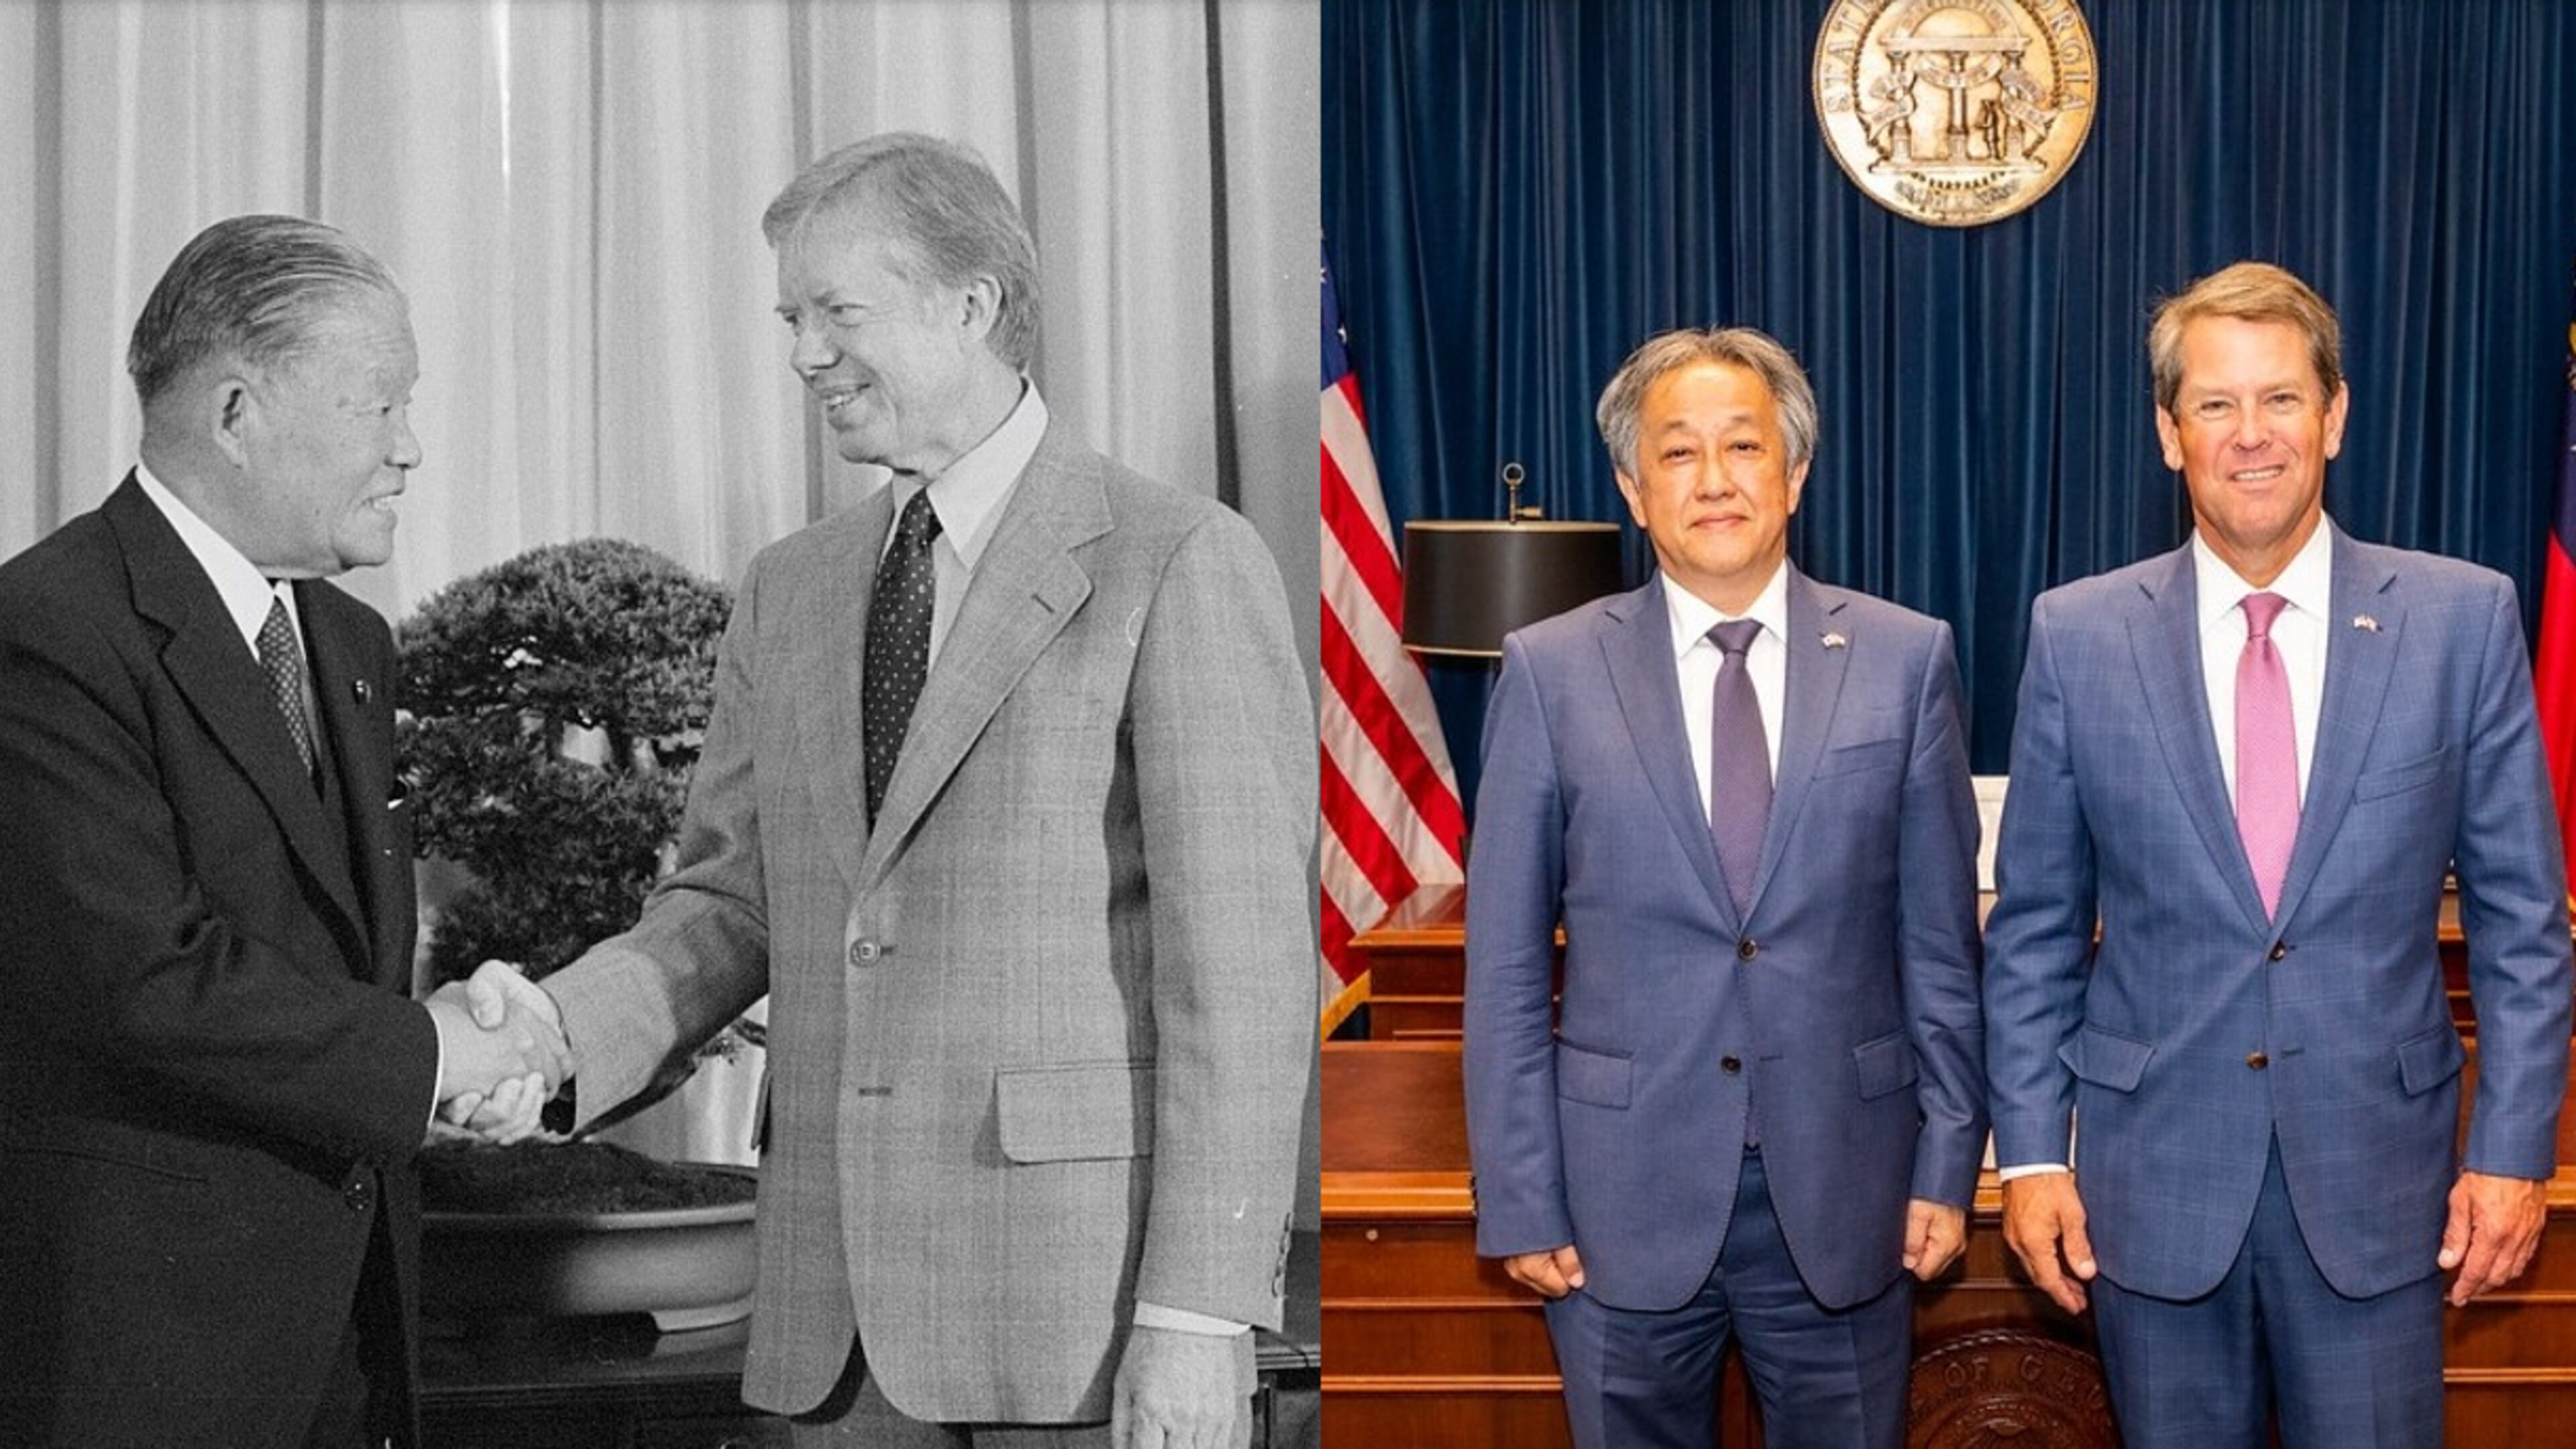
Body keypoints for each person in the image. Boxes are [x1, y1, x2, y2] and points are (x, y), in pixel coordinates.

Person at [462, 133, 1313, 1448]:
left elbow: (1243, 981)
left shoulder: (1176, 560)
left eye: (835, 312)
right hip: (831, 1326)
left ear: (970, 306)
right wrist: (551, 1040)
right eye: (792, 318)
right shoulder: (788, 588)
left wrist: (1200, 1319)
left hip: (1084, 1331)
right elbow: (727, 907)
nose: (804, 353)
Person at [1982, 260, 2574, 1446]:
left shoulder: (2461, 622)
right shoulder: (2079, 635)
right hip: (2147, 1198)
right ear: (2168, 433)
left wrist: (2515, 1156)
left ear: (2335, 415)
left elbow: (2523, 927)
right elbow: (2036, 929)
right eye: (2214, 404)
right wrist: (2034, 1158)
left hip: (2386, 1192)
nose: (2250, 436)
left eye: (2281, 400)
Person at [0, 215, 569, 1448]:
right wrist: (429, 1061)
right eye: (380, 407)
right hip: (145, 1351)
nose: (412, 449)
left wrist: (459, 1030)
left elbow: (327, 953)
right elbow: (140, 978)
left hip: (352, 1332)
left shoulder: (351, 642)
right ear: (237, 410)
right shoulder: (49, 629)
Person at [1462, 326, 1987, 1449]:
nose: (1714, 481)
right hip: (1614, 1203)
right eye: (1679, 453)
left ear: (1793, 473)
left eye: (1744, 447)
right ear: (1632, 488)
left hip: (1854, 1193)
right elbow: (1504, 967)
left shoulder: (1906, 657)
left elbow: (1941, 948)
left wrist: (1949, 1162)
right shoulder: (1550, 672)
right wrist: (1519, 1193)